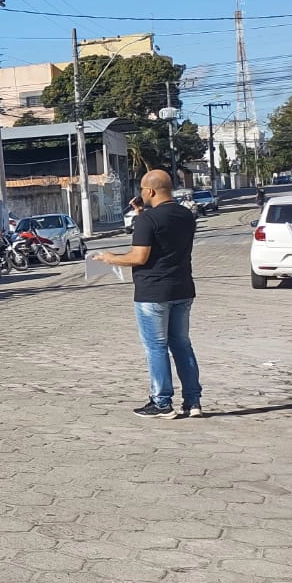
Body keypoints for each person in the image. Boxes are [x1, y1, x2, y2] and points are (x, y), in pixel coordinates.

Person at [92, 169, 203, 419]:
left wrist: (110, 258)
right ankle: (193, 401)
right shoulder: (186, 215)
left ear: (150, 191)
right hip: (183, 288)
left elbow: (139, 257)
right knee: (182, 345)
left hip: (153, 292)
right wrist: (143, 214)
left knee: (156, 347)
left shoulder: (147, 221)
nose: (141, 193)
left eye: (143, 190)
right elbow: (166, 239)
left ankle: (162, 402)